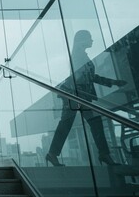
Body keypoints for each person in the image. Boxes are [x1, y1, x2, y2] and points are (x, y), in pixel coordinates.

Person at [46, 30, 126, 166]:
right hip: (74, 96)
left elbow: (90, 76)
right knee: (68, 125)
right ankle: (52, 154)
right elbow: (78, 76)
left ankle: (104, 154)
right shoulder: (77, 56)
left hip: (81, 96)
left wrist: (112, 82)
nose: (92, 40)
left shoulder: (82, 56)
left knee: (94, 123)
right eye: (89, 38)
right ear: (81, 40)